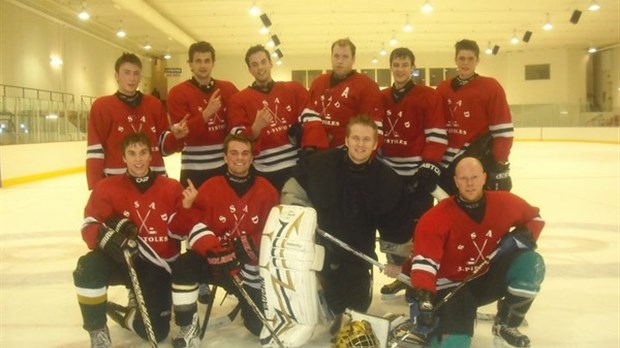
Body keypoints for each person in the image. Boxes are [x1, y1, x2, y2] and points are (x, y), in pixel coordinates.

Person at [281, 114, 415, 334]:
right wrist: (302, 221)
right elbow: (293, 191)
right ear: (346, 140)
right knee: (327, 307)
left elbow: (397, 222)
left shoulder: (386, 179)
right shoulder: (321, 163)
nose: (360, 144)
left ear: (374, 144)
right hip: (320, 249)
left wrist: (396, 260)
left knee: (355, 309)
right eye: (355, 138)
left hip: (358, 253)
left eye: (366, 140)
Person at [73, 132, 197, 347]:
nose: (138, 159)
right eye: (132, 153)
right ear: (123, 158)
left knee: (156, 334)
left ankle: (125, 314)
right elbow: (88, 225)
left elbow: (181, 233)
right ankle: (97, 329)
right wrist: (106, 238)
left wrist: (187, 209)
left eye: (143, 153)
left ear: (151, 156)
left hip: (156, 265)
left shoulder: (171, 188)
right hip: (121, 260)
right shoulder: (106, 187)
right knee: (88, 266)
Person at [406, 157, 545, 348]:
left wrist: (526, 235)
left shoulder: (503, 202)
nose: (469, 183)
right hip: (451, 288)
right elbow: (424, 264)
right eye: (463, 178)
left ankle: (505, 325)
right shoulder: (436, 217)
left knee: (531, 263)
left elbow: (535, 217)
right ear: (455, 181)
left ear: (484, 178)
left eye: (474, 177)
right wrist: (425, 299)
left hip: (484, 277)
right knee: (454, 344)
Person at [170, 134, 279, 347]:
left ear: (252, 157)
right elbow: (189, 230)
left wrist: (239, 252)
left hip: (247, 269)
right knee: (184, 263)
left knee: (258, 327)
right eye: (234, 153)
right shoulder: (210, 187)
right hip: (215, 263)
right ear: (225, 157)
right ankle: (187, 325)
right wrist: (188, 208)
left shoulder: (267, 190)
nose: (240, 158)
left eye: (245, 153)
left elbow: (272, 234)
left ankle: (249, 310)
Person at [377, 47, 448, 298]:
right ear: (391, 67)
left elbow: (437, 134)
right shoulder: (382, 97)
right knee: (394, 230)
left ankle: (420, 280)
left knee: (419, 231)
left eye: (405, 64)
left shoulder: (427, 96)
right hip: (389, 178)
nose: (400, 69)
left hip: (416, 177)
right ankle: (402, 277)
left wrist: (429, 165)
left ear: (412, 67)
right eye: (396, 64)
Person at [227, 45, 328, 191]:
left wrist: (310, 154)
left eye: (263, 62)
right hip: (263, 173)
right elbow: (237, 142)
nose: (260, 67)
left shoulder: (294, 89)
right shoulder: (238, 100)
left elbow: (312, 120)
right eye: (254, 65)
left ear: (270, 63)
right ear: (249, 69)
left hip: (296, 169)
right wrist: (256, 128)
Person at [86, 53, 188, 190]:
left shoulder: (154, 104)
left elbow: (163, 147)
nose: (132, 78)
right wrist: (96, 187)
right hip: (117, 183)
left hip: (154, 180)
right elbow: (95, 150)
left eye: (136, 73)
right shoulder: (102, 106)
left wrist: (176, 137)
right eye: (126, 73)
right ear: (116, 76)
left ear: (140, 77)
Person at [435, 39, 514, 195]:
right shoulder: (443, 87)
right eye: (462, 58)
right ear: (455, 60)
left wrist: (500, 162)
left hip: (475, 159)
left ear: (477, 60)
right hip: (445, 162)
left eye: (470, 58)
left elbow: (503, 130)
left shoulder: (491, 87)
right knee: (449, 209)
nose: (465, 63)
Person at [167, 41, 240, 188]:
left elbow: (236, 126)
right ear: (190, 64)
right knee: (195, 209)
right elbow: (184, 135)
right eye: (198, 61)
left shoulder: (228, 89)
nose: (203, 65)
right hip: (193, 169)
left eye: (207, 61)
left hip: (224, 165)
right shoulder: (177, 93)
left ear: (213, 63)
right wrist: (207, 113)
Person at [308, 38, 385, 148]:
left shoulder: (368, 86)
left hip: (349, 154)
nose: (340, 61)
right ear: (331, 57)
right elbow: (309, 117)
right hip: (318, 151)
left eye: (345, 57)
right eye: (336, 56)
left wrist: (363, 158)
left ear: (353, 59)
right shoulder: (318, 83)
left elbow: (372, 127)